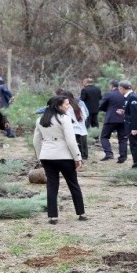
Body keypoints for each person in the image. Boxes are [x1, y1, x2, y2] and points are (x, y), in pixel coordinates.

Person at [33, 95, 87, 224]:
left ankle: (53, 216)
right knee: (73, 184)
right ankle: (81, 213)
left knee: (52, 186)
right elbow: (70, 140)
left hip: (47, 156)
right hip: (64, 156)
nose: (68, 106)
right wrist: (77, 157)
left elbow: (36, 141)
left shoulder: (40, 119)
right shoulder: (64, 119)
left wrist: (40, 156)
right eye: (66, 104)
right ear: (58, 106)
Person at [98, 80, 127, 163]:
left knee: (104, 136)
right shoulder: (124, 94)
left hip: (111, 118)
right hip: (122, 118)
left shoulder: (109, 94)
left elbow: (101, 105)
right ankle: (123, 156)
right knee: (122, 139)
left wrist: (108, 109)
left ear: (111, 86)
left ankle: (109, 153)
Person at [59, 90, 90, 160]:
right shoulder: (79, 105)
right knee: (83, 143)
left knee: (76, 145)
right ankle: (84, 156)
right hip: (81, 127)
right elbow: (85, 115)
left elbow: (67, 118)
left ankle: (79, 159)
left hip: (73, 129)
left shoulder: (68, 107)